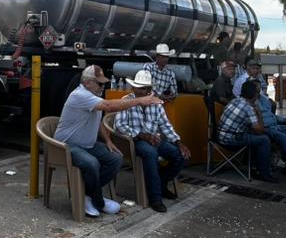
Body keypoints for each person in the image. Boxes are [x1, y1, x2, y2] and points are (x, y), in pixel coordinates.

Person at [56, 65, 163, 217]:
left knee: (116, 158)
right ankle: (98, 201)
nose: (103, 86)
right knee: (92, 163)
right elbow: (108, 106)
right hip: (67, 145)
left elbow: (97, 120)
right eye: (99, 83)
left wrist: (107, 141)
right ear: (87, 83)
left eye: (104, 83)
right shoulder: (80, 95)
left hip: (87, 144)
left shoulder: (92, 98)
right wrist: (140, 101)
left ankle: (87, 194)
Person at [114, 69, 191, 212]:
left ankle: (160, 183)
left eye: (143, 88)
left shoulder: (156, 103)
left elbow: (165, 125)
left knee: (181, 156)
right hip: (134, 140)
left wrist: (179, 142)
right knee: (150, 154)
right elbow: (119, 125)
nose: (139, 91)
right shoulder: (126, 101)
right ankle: (155, 198)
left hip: (154, 139)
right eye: (137, 87)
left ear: (149, 89)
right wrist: (142, 135)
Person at [250, 72, 286, 177]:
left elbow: (271, 115)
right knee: (284, 137)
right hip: (265, 128)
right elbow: (256, 122)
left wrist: (283, 120)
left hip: (275, 125)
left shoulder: (263, 99)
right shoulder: (251, 101)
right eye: (256, 88)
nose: (258, 90)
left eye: (259, 88)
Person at [217, 79, 275, 182]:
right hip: (230, 140)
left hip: (219, 136)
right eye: (258, 92)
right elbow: (260, 130)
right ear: (255, 95)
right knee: (264, 139)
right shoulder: (249, 108)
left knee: (253, 135)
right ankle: (264, 173)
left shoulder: (235, 100)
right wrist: (259, 113)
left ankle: (253, 166)